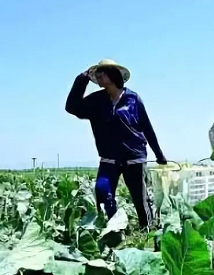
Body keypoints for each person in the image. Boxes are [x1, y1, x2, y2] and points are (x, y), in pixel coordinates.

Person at [65, 59, 167, 229]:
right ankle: (114, 227)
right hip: (109, 158)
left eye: (100, 73)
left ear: (112, 75)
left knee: (140, 199)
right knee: (102, 191)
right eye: (95, 74)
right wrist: (82, 78)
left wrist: (159, 154)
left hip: (134, 157)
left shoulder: (133, 99)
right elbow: (72, 107)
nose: (97, 77)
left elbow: (147, 128)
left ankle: (149, 230)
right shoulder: (96, 101)